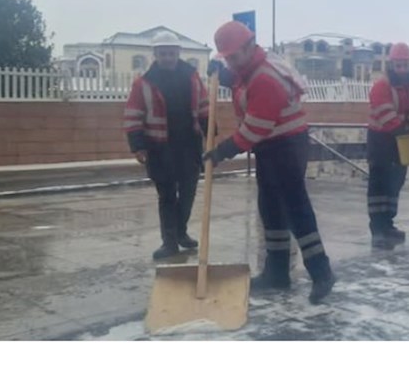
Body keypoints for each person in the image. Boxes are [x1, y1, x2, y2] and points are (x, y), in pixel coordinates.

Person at [203, 21, 335, 304]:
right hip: (270, 146)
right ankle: (276, 272)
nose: (232, 62)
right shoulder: (249, 69)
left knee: (296, 209)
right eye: (226, 58)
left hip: (286, 146)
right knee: (271, 209)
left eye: (233, 57)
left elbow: (253, 130)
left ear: (250, 48)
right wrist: (223, 75)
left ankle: (322, 273)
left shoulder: (264, 78)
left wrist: (221, 151)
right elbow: (241, 81)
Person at [123, 31, 209, 260]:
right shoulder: (143, 83)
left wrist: (210, 131)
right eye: (163, 54)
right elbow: (133, 116)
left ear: (178, 53)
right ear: (155, 54)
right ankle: (169, 242)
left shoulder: (192, 77)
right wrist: (138, 146)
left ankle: (181, 232)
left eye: (171, 53)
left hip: (189, 145)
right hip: (160, 148)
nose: (168, 58)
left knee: (188, 191)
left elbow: (204, 107)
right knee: (167, 195)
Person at [366, 42, 409, 249]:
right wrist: (403, 129)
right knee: (380, 184)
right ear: (391, 64)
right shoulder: (382, 86)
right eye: (398, 65)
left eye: (404, 65)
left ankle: (388, 225)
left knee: (395, 182)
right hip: (381, 140)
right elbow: (385, 115)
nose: (401, 69)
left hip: (400, 138)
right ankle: (378, 228)